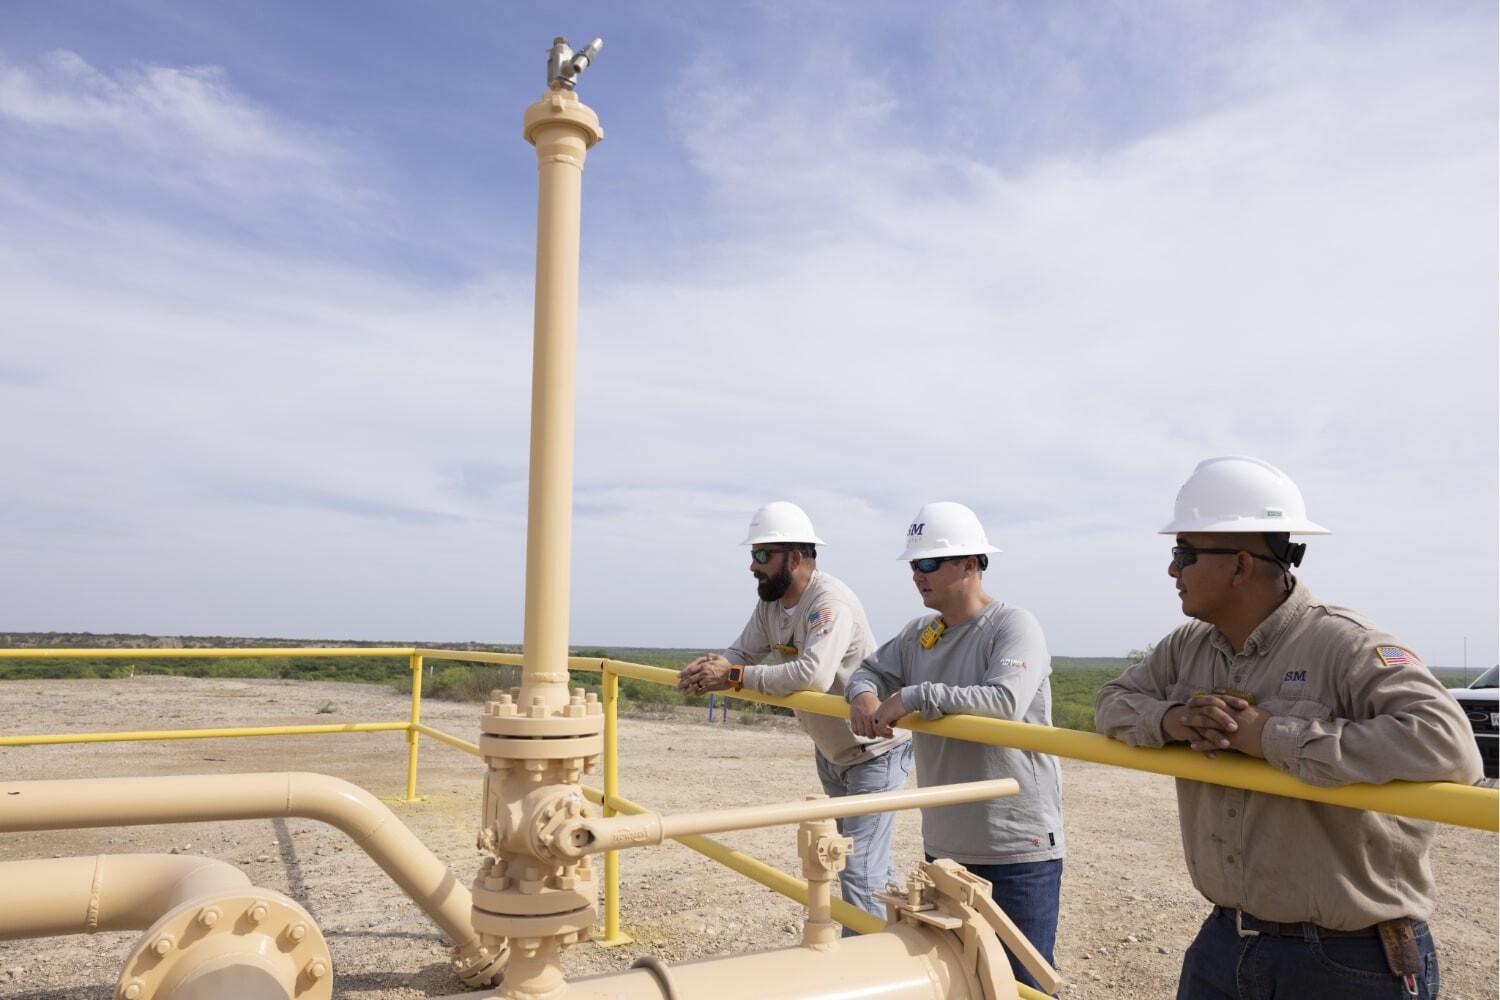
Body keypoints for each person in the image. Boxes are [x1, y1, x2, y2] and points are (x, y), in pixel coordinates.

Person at [1094, 456, 1483, 1000]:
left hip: (1349, 959)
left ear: (1240, 567)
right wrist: (1172, 720)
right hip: (1226, 940)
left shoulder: (1346, 644)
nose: (1172, 570)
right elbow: (1111, 701)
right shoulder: (1187, 647)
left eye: (1183, 554)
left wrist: (1271, 737)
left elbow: (1449, 744)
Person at [846, 501, 1064, 993]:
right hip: (945, 849)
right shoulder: (919, 634)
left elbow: (1004, 702)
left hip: (1015, 849)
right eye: (913, 564)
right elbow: (869, 670)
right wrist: (863, 695)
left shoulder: (1013, 626)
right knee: (957, 983)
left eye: (928, 562)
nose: (916, 574)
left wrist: (913, 696)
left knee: (1022, 986)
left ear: (970, 564)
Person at [678, 501, 913, 926]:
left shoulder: (829, 603)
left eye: (762, 555)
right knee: (869, 867)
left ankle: (869, 961)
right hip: (834, 751)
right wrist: (712, 667)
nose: (753, 565)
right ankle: (900, 941)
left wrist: (732, 676)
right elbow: (743, 652)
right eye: (753, 554)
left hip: (875, 752)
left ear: (796, 558)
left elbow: (813, 675)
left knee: (858, 868)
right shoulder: (771, 604)